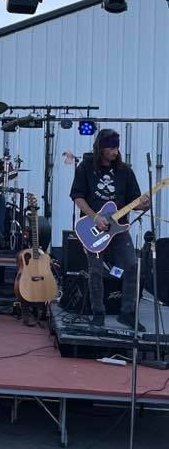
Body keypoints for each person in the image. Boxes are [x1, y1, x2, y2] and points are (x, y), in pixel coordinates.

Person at [70, 128, 149, 330]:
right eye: (111, 147)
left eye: (117, 147)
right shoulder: (86, 166)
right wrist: (95, 217)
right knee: (95, 271)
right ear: (101, 148)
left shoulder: (125, 171)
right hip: (93, 228)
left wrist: (143, 204)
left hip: (119, 229)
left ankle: (127, 313)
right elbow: (78, 197)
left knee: (131, 266)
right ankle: (98, 311)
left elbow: (135, 200)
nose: (115, 151)